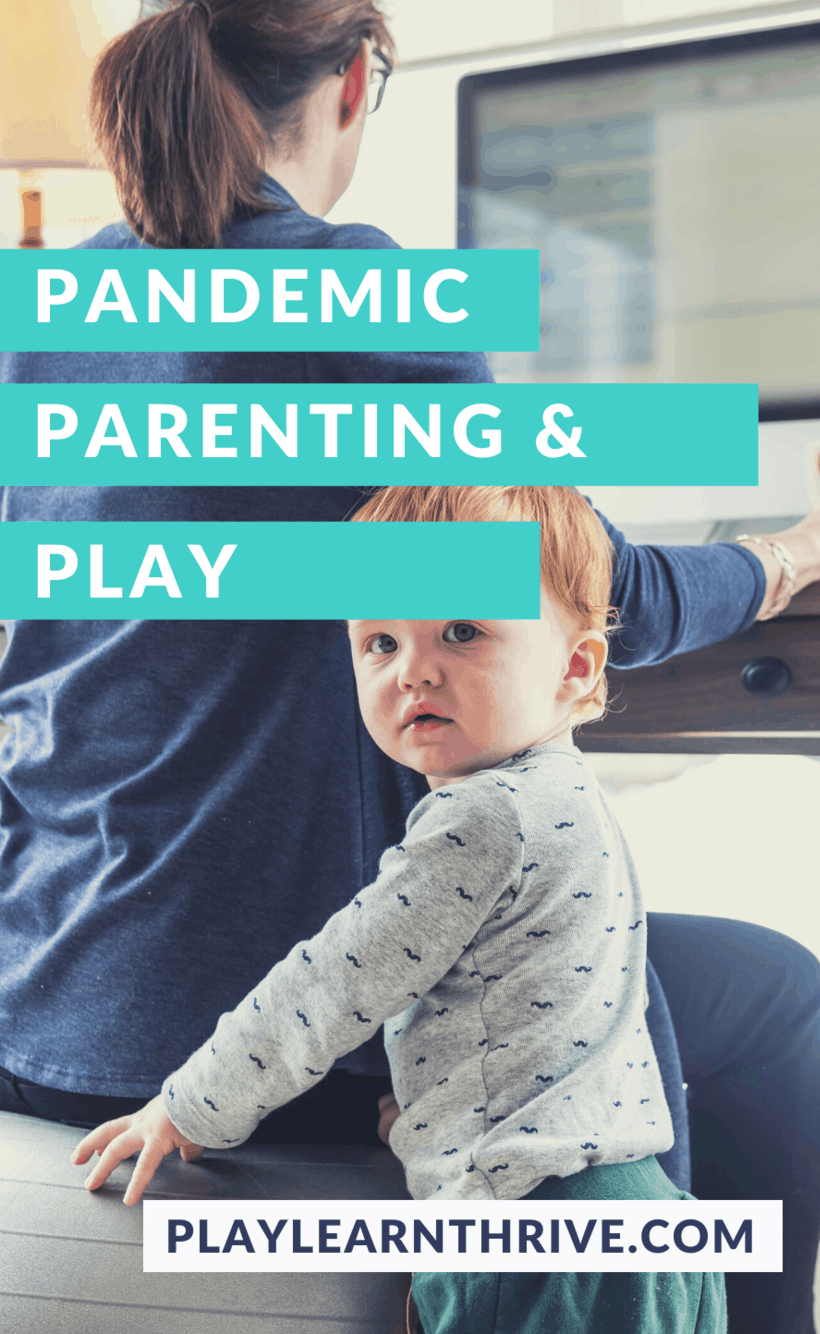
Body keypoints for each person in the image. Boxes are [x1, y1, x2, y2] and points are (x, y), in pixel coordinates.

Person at [1, 0, 820, 1332]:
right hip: (252, 1042)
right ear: (359, 74)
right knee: (769, 990)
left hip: (42, 1010)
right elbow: (600, 591)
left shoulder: (50, 321)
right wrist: (801, 553)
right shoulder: (348, 297)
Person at [73, 485, 727, 1333]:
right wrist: (421, 1117)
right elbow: (555, 1014)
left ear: (576, 667)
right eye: (380, 641)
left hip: (531, 1243)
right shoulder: (569, 799)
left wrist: (191, 1104)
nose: (413, 667)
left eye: (463, 630)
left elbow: (331, 985)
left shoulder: (481, 818)